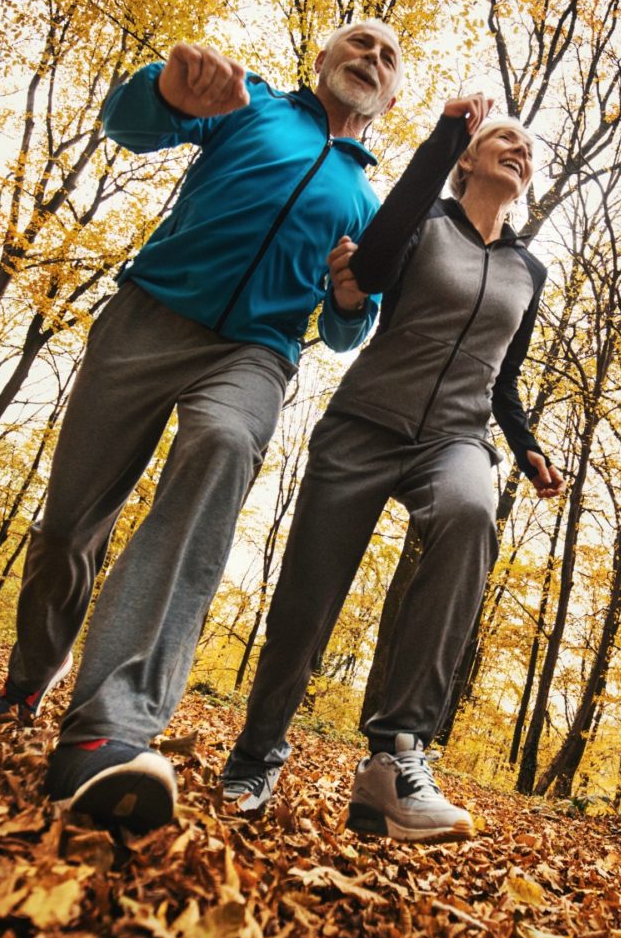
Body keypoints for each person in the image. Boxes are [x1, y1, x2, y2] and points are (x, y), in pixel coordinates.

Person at [0, 21, 404, 836]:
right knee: (70, 524)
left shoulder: (369, 203)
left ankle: (111, 728)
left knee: (220, 445)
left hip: (255, 354)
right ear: (320, 61)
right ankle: (34, 672)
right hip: (149, 318)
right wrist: (162, 91)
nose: (371, 59)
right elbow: (133, 124)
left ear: (393, 98)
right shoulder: (249, 109)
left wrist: (354, 300)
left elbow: (348, 326)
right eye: (358, 44)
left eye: (388, 58)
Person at [219, 98, 566, 843]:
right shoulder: (426, 220)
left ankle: (396, 753)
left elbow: (505, 380)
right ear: (469, 159)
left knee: (473, 513)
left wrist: (526, 440)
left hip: (456, 437)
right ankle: (255, 755)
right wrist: (446, 136)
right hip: (367, 422)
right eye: (504, 138)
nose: (519, 150)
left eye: (528, 149)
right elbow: (369, 268)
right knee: (307, 603)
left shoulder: (528, 270)